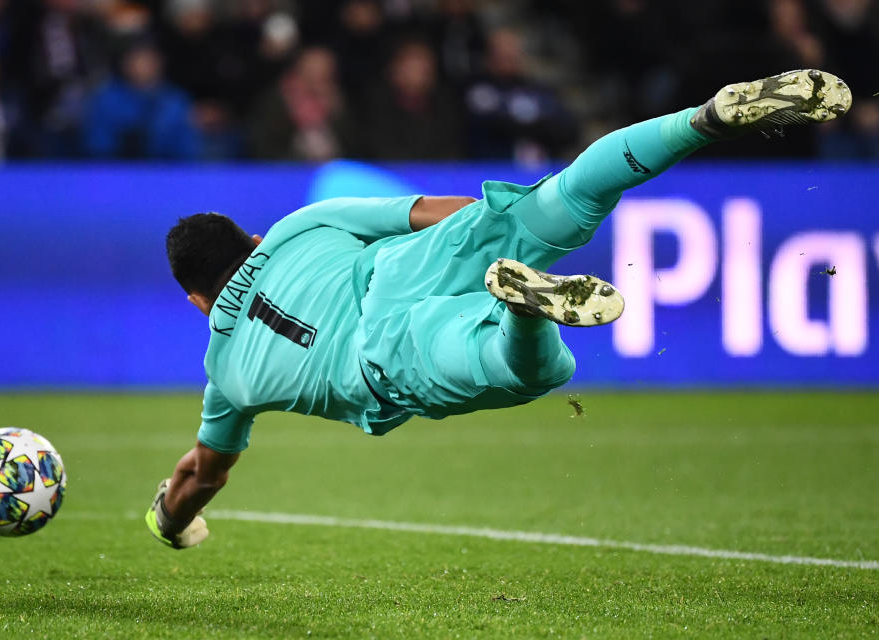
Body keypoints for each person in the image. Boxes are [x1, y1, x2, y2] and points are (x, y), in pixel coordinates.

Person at [146, 69, 851, 548]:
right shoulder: (302, 226)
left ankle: (524, 311)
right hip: (398, 265)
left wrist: (168, 520)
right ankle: (700, 120)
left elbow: (199, 476)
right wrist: (492, 224)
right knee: (565, 196)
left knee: (534, 372)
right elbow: (425, 212)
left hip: (387, 356)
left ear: (196, 300)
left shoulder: (226, 375)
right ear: (253, 237)